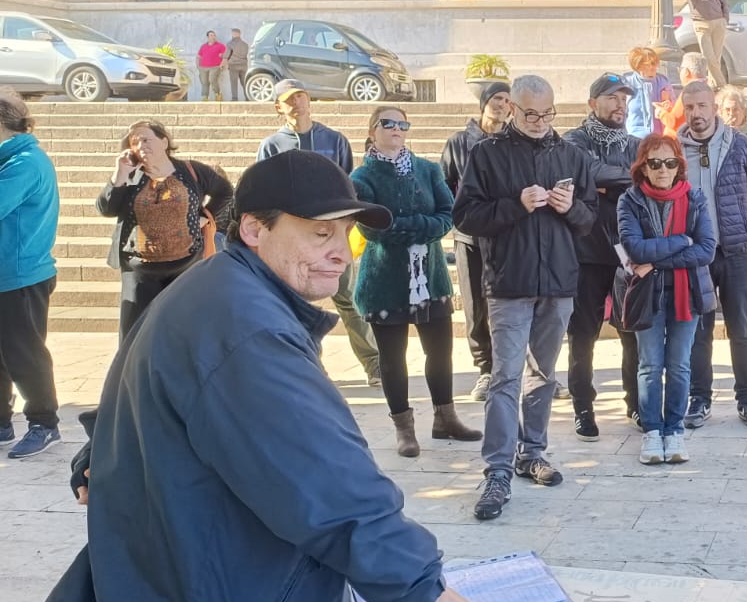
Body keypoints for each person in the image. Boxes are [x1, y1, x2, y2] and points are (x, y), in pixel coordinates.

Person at [28, 150, 474, 602]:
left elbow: (146, 408)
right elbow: (324, 482)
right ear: (254, 229)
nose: (340, 252)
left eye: (345, 234)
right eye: (318, 231)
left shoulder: (219, 293)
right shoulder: (241, 325)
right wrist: (423, 586)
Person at [452, 74, 597, 521]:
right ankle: (497, 469)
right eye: (530, 113)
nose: (539, 121)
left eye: (547, 113)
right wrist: (516, 204)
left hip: (558, 283)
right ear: (511, 109)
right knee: (506, 378)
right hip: (509, 283)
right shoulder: (486, 154)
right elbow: (465, 216)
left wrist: (567, 207)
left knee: (543, 376)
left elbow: (589, 219)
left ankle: (532, 452)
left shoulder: (573, 154)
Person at [351, 107, 480, 457]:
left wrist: (410, 227)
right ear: (372, 130)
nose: (396, 129)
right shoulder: (362, 176)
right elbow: (370, 226)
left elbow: (447, 215)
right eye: (388, 123)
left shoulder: (427, 169)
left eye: (402, 123)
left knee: (440, 351)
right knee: (393, 358)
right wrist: (418, 228)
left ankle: (445, 418)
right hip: (385, 282)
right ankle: (404, 429)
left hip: (430, 277)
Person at [257, 79, 382, 386]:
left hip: (332, 235)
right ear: (279, 107)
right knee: (299, 304)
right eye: (289, 99)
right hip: (294, 239)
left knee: (349, 299)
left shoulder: (334, 140)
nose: (297, 103)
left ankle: (375, 364)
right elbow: (263, 193)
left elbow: (348, 185)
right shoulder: (272, 145)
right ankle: (312, 364)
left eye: (301, 96)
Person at [618, 135, 718, 466]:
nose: (663, 170)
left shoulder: (696, 198)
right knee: (649, 365)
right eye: (655, 163)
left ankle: (674, 429)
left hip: (686, 293)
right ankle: (652, 431)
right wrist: (682, 239)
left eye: (670, 162)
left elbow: (706, 249)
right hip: (648, 295)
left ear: (680, 166)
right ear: (642, 168)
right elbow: (636, 249)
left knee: (679, 365)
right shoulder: (629, 201)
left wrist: (658, 260)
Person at [681, 81, 747, 430]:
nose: (696, 114)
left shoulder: (741, 145)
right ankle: (699, 398)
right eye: (690, 107)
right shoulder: (674, 150)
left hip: (736, 252)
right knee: (698, 330)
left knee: (742, 328)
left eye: (702, 106)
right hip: (695, 255)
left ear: (714, 106)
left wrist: (745, 226)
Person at [97, 120, 233, 339]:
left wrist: (204, 217)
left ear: (164, 141)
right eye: (134, 142)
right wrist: (119, 175)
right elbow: (106, 209)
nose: (141, 145)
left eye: (146, 139)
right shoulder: (130, 176)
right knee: (136, 336)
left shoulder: (191, 170)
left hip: (185, 266)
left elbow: (225, 191)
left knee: (184, 331)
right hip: (140, 271)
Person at [563, 73, 642, 438]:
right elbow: (584, 174)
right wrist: (612, 179)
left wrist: (606, 182)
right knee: (583, 335)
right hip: (585, 252)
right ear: (593, 103)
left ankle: (636, 403)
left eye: (624, 99)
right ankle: (583, 406)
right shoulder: (572, 142)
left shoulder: (636, 145)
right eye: (611, 98)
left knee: (631, 332)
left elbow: (644, 180)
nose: (619, 105)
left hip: (627, 252)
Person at [439, 80, 512, 400]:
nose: (501, 104)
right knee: (475, 305)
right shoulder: (459, 142)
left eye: (507, 100)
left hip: (508, 237)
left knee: (513, 304)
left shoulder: (514, 142)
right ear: (483, 103)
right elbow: (444, 186)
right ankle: (485, 368)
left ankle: (521, 368)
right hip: (470, 237)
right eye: (496, 98)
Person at [0, 89, 61, 459]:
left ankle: (44, 423)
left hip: (20, 276)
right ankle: (2, 424)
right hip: (6, 275)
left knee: (25, 355)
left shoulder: (25, 162)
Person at [673, 0, 730, 87]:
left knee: (716, 58)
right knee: (709, 59)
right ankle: (723, 87)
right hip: (702, 23)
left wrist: (725, 19)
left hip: (718, 22)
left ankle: (713, 87)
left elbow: (723, 1)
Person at [623, 46, 673, 139]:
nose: (654, 67)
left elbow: (673, 108)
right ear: (638, 66)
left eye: (655, 64)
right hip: (634, 139)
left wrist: (668, 106)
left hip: (660, 139)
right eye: (649, 64)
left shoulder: (663, 82)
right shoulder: (627, 83)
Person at [661, 52, 709, 137]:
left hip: (678, 143)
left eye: (680, 69)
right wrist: (670, 109)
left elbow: (673, 123)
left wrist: (661, 112)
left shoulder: (689, 91)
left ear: (686, 72)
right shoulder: (707, 90)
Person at [196, 31, 227, 102]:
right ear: (208, 37)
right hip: (203, 67)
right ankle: (205, 97)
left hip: (215, 67)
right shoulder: (203, 46)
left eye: (214, 35)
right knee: (204, 82)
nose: (213, 37)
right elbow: (198, 57)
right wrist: (198, 66)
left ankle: (218, 94)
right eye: (211, 35)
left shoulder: (220, 45)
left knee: (212, 80)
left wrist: (222, 64)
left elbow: (225, 56)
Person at [224, 28, 250, 100]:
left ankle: (234, 98)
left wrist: (224, 62)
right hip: (244, 65)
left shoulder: (230, 44)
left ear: (234, 34)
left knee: (234, 83)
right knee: (244, 82)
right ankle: (248, 97)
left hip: (233, 65)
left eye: (232, 33)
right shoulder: (245, 44)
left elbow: (226, 55)